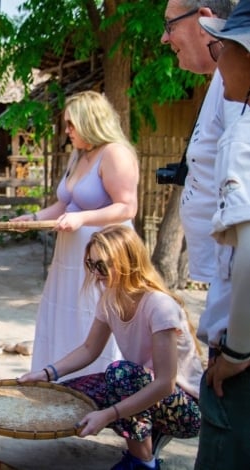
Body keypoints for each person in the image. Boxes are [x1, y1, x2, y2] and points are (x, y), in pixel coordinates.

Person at [18, 225, 204, 470]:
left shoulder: (159, 305)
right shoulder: (110, 298)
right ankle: (148, 436)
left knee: (120, 374)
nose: (96, 273)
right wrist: (46, 374)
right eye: (90, 264)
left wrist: (109, 414)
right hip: (143, 385)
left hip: (187, 408)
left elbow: (165, 383)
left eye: (102, 266)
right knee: (68, 395)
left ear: (127, 262)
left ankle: (144, 462)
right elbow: (89, 349)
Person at [11, 90, 139, 380]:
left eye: (71, 124)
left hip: (103, 256)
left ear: (90, 122)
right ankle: (62, 380)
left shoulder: (115, 153)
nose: (67, 131)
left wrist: (83, 219)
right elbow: (65, 205)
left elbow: (127, 207)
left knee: (93, 315)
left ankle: (98, 382)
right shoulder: (78, 155)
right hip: (69, 256)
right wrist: (33, 219)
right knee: (66, 315)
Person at [161, 0, 239, 354]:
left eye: (171, 25)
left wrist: (235, 343)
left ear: (205, 20)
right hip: (227, 288)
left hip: (236, 306)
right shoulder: (224, 79)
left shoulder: (238, 82)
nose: (165, 38)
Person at [195, 4, 250, 467]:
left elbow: (248, 252)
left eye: (223, 48)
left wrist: (236, 350)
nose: (218, 62)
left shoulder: (243, 135)